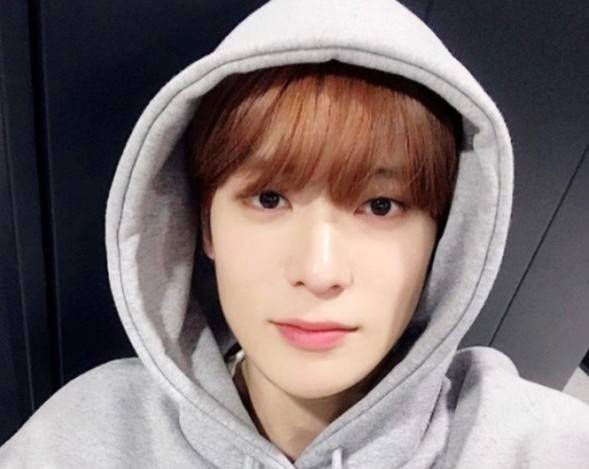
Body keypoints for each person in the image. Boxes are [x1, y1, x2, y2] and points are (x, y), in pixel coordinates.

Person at [1, 0, 588, 468]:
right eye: (269, 198)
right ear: (205, 224)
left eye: (380, 205)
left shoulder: (538, 442)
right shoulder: (80, 435)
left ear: (443, 234)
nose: (319, 270)